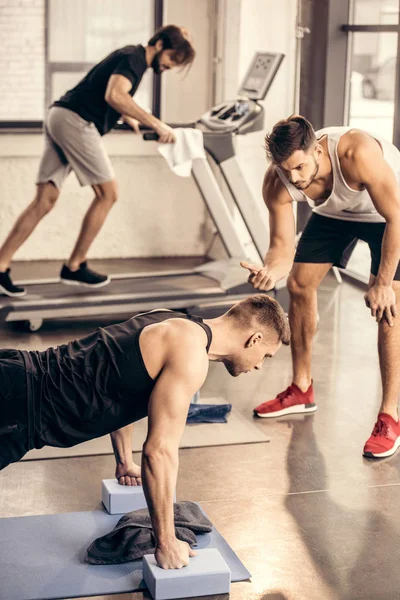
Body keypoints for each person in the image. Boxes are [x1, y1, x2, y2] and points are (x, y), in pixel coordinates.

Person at [0, 294, 290, 568]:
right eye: (266, 356)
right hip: (18, 409)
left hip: (16, 371)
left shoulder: (169, 320)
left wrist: (124, 461)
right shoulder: (191, 357)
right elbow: (159, 452)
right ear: (255, 339)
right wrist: (166, 542)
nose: (259, 366)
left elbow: (121, 386)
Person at [241, 115, 400, 459]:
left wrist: (384, 283)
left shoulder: (356, 153)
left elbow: (396, 216)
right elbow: (282, 249)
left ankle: (390, 416)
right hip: (337, 216)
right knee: (298, 285)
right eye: (287, 170)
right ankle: (301, 388)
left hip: (388, 216)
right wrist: (270, 271)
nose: (295, 179)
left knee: (389, 306)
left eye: (300, 167)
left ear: (317, 149)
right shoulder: (279, 181)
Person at [0, 25, 195, 297]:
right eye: (172, 59)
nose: (171, 67)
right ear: (160, 45)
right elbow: (115, 95)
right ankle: (75, 266)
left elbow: (110, 92)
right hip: (76, 121)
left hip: (59, 115)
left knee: (44, 200)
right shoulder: (135, 58)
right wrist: (156, 124)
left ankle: (0, 266)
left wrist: (126, 115)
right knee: (109, 194)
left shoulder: (130, 56)